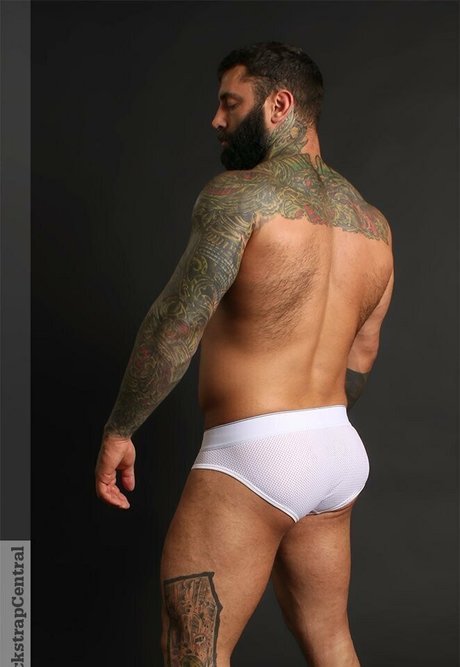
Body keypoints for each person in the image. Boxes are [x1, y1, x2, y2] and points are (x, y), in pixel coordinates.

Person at [95, 42, 393, 667]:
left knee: (193, 652)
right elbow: (361, 357)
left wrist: (121, 427)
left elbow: (177, 322)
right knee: (332, 642)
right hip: (337, 450)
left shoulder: (239, 197)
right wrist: (312, 435)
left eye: (230, 103)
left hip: (253, 454)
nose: (217, 120)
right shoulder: (372, 224)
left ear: (279, 105)